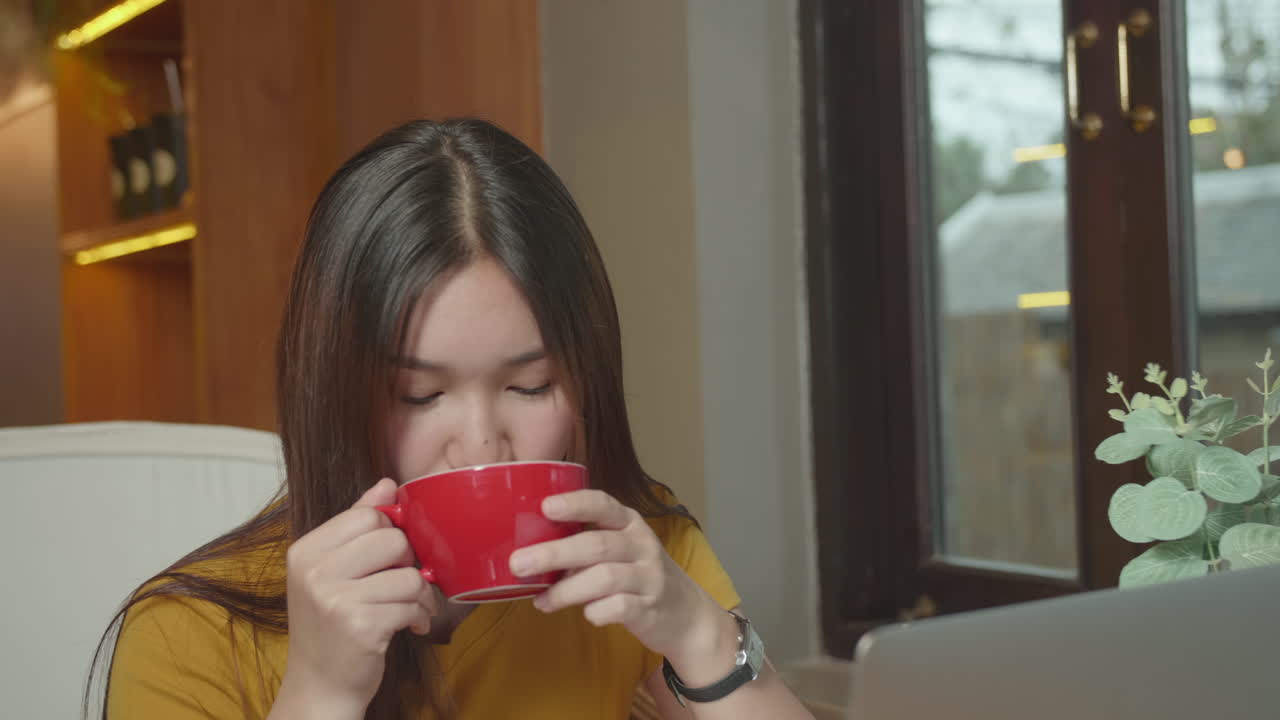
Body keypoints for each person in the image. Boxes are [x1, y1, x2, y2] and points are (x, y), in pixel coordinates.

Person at [91, 118, 814, 719]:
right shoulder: (184, 636)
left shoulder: (636, 558)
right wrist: (320, 692)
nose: (480, 448)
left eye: (531, 386)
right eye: (418, 396)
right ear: (332, 393)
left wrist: (699, 635)